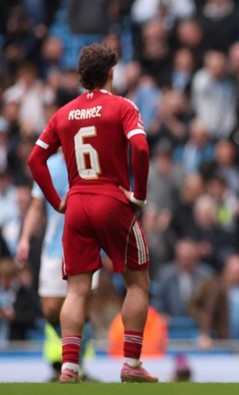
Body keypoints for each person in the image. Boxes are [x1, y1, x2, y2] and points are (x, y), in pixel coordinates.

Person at [27, 43, 157, 383]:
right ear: (111, 72)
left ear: (81, 76)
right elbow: (141, 147)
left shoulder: (63, 113)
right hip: (112, 200)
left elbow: (34, 160)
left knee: (76, 291)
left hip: (78, 205)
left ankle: (69, 368)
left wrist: (58, 201)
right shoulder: (123, 107)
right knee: (137, 282)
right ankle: (131, 364)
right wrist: (139, 195)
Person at [17, 151, 99, 380]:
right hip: (55, 247)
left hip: (87, 246)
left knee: (81, 307)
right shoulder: (50, 166)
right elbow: (36, 205)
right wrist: (24, 238)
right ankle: (75, 358)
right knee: (51, 309)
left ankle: (75, 366)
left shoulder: (89, 162)